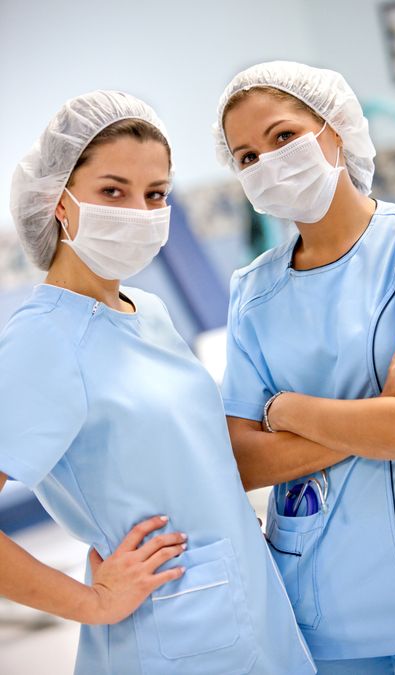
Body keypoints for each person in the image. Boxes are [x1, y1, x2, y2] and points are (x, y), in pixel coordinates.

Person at [0, 90, 319, 675]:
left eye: (156, 195)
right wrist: (91, 602)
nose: (139, 212)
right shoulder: (42, 341)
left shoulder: (144, 310)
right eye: (113, 191)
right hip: (170, 636)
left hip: (248, 603)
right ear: (60, 203)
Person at [214, 61, 395, 674]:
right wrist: (378, 416)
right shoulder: (252, 291)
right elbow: (240, 460)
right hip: (318, 605)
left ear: (336, 130)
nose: (266, 163)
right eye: (245, 157)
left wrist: (282, 409)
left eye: (283, 137)